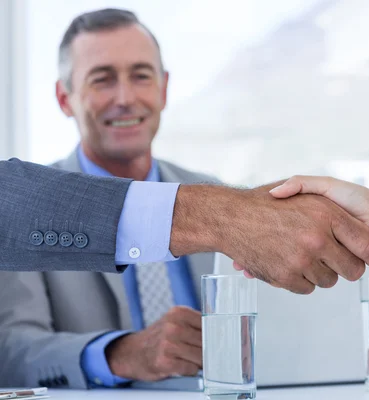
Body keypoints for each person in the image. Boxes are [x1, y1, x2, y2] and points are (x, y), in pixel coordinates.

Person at [0, 8, 220, 389]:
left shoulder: (215, 196)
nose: (126, 98)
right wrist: (122, 354)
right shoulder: (29, 208)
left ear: (163, 88)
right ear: (64, 98)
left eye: (141, 76)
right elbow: (11, 350)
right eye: (102, 80)